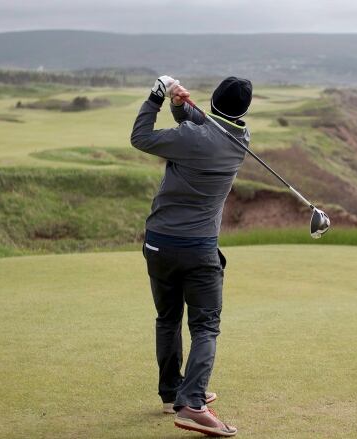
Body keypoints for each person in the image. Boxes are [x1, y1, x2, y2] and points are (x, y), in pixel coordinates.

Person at [130, 74, 253, 437]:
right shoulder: (241, 139)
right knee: (205, 327)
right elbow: (203, 128)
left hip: (159, 243)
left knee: (167, 319)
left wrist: (157, 97)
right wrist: (181, 106)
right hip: (198, 249)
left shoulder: (192, 137)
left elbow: (141, 137)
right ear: (243, 111)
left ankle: (174, 394)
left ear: (213, 100)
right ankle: (191, 404)